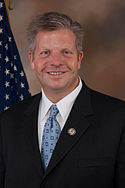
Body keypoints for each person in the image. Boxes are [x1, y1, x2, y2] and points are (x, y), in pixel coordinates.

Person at [0, 11, 125, 188]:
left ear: (79, 58)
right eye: (45, 52)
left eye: (66, 52)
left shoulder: (118, 119)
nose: (56, 61)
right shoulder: (8, 123)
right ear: (32, 59)